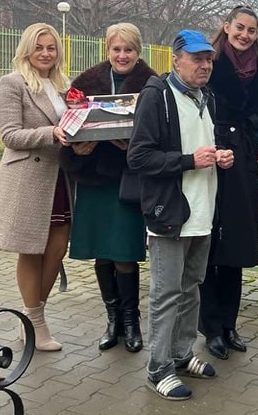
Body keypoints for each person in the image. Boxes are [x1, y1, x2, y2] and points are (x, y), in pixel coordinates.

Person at [127, 29, 234, 401]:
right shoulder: (157, 96)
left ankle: (181, 353)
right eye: (196, 58)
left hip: (202, 211)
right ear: (176, 59)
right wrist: (190, 160)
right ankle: (158, 368)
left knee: (190, 289)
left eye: (208, 59)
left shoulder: (208, 97)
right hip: (170, 213)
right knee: (166, 294)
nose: (205, 65)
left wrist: (220, 156)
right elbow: (139, 157)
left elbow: (202, 147)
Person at [61, 23, 156, 353]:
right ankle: (112, 320)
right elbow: (67, 126)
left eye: (129, 49)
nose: (122, 55)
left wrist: (133, 147)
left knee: (124, 252)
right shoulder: (85, 83)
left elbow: (162, 132)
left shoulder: (152, 84)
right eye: (117, 49)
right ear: (107, 50)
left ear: (138, 51)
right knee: (102, 253)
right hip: (94, 180)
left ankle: (131, 322)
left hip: (127, 182)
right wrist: (76, 150)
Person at [0, 22, 71, 351]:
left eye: (51, 47)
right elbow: (9, 135)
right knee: (32, 249)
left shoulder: (64, 85)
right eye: (39, 47)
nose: (45, 53)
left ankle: (32, 315)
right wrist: (50, 133)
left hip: (60, 177)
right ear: (27, 49)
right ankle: (36, 322)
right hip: (29, 178)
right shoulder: (12, 83)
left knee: (57, 249)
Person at [198, 6, 258, 360]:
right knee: (209, 242)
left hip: (243, 156)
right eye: (239, 27)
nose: (245, 35)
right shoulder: (210, 62)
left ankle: (229, 324)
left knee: (236, 243)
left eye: (251, 30)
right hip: (211, 152)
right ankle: (210, 327)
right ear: (226, 26)